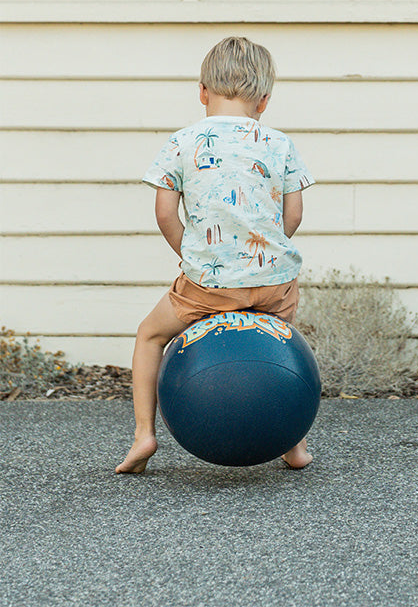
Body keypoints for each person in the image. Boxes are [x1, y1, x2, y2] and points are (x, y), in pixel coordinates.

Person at [115, 36, 314, 474]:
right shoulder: (280, 143)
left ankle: (144, 435)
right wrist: (266, 250)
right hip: (273, 280)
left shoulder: (182, 142)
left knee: (149, 335)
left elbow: (164, 211)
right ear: (264, 100)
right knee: (281, 350)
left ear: (202, 91)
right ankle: (294, 443)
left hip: (210, 282)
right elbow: (294, 213)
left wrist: (195, 255)